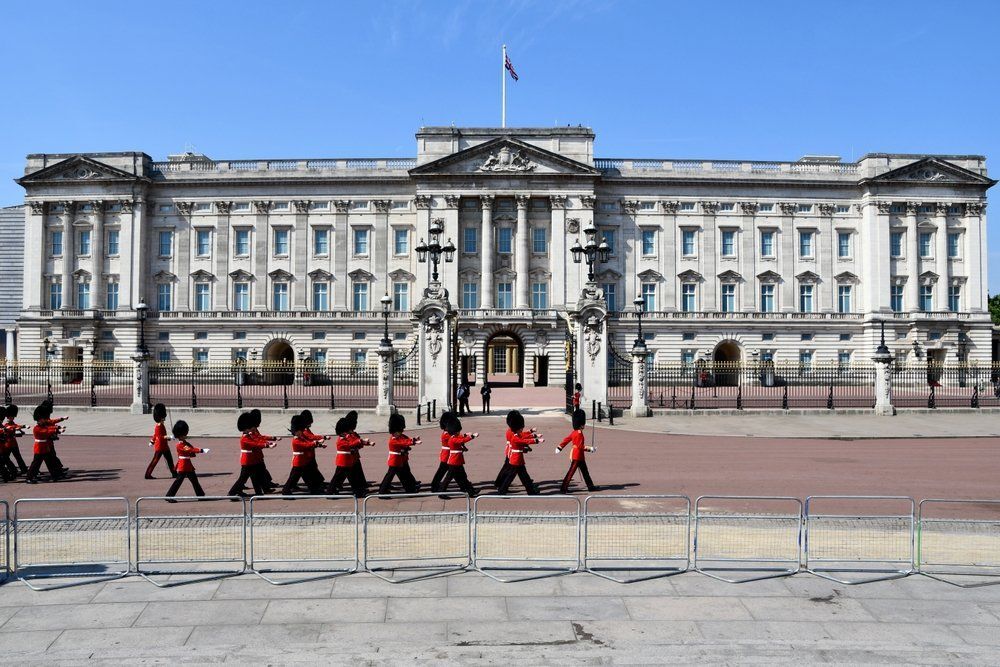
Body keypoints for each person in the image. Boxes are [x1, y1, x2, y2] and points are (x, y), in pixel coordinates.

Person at [228, 411, 276, 498]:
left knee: (255, 477)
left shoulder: (248, 435)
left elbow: (257, 441)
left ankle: (258, 493)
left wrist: (268, 443)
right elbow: (255, 444)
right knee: (242, 479)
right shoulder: (244, 438)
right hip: (247, 461)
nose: (252, 429)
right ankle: (232, 493)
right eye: (250, 427)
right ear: (246, 428)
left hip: (251, 460)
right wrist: (267, 445)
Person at [497, 410, 542, 495]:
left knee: (521, 475)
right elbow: (523, 440)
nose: (522, 429)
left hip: (517, 457)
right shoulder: (512, 434)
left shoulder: (514, 432)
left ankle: (530, 490)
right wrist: (536, 440)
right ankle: (501, 489)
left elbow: (522, 435)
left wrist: (532, 432)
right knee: (511, 474)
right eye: (521, 427)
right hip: (515, 457)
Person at [281, 413, 327, 495]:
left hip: (303, 460)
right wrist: (316, 442)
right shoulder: (296, 440)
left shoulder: (300, 437)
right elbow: (306, 445)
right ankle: (286, 490)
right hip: (298, 462)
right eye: (299, 431)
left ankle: (313, 490)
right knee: (293, 478)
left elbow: (307, 442)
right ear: (295, 431)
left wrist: (319, 445)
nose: (301, 432)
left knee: (306, 477)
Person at [378, 413, 421, 494]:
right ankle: (382, 491)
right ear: (395, 430)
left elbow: (404, 441)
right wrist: (413, 442)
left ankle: (410, 490)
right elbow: (403, 442)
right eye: (399, 430)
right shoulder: (393, 439)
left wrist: (413, 440)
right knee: (391, 476)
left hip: (399, 460)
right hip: (395, 461)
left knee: (399, 475)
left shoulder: (398, 436)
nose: (401, 432)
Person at [556, 409, 597, 493]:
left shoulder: (574, 432)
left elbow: (566, 440)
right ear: (581, 424)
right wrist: (590, 449)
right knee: (571, 472)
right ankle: (563, 488)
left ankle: (590, 486)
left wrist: (560, 447)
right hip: (577, 456)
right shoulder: (579, 433)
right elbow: (580, 446)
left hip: (579, 456)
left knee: (585, 472)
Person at [327, 417, 369, 497]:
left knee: (348, 477)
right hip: (343, 462)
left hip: (348, 461)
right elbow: (350, 444)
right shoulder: (340, 440)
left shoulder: (344, 438)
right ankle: (330, 492)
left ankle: (357, 492)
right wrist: (360, 441)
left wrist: (362, 442)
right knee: (338, 478)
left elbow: (352, 443)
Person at [165, 420, 208, 498]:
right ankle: (169, 495)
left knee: (194, 480)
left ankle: (200, 495)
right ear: (181, 434)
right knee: (178, 481)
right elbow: (190, 449)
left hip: (188, 465)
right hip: (184, 465)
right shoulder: (180, 445)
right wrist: (201, 450)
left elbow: (190, 447)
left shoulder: (184, 442)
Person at [26, 401, 65, 483]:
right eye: (43, 419)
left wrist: (58, 428)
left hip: (45, 447)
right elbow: (46, 431)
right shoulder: (36, 428)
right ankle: (29, 478)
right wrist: (57, 430)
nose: (44, 420)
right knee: (35, 464)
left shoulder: (42, 425)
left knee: (50, 463)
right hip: (39, 448)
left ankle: (55, 476)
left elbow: (49, 428)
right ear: (39, 420)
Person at [441, 416, 478, 496]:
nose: (459, 432)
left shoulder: (454, 437)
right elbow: (461, 440)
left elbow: (460, 438)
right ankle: (441, 493)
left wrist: (466, 435)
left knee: (463, 477)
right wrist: (472, 436)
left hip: (457, 461)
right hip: (454, 462)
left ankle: (471, 491)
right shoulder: (452, 439)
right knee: (448, 479)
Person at [247, 409, 279, 491]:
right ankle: (237, 488)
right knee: (251, 473)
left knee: (261, 469)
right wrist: (267, 444)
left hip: (257, 454)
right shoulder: (251, 431)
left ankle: (266, 485)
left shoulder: (254, 429)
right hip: (253, 456)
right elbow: (257, 441)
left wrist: (273, 438)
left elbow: (261, 437)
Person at [145, 403, 176, 479]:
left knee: (170, 460)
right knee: (155, 461)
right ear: (161, 416)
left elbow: (155, 435)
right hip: (160, 447)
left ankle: (174, 473)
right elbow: (160, 437)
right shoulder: (159, 426)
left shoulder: (160, 425)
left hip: (164, 446)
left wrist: (152, 441)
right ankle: (147, 474)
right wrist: (170, 437)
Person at [430, 411, 456, 492]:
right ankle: (435, 486)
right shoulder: (446, 434)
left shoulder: (448, 433)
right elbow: (456, 440)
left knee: (452, 472)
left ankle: (466, 487)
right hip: (447, 455)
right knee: (442, 472)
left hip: (448, 455)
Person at [4, 404, 29, 476]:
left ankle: (23, 469)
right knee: (5, 458)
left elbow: (16, 426)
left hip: (13, 443)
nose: (12, 418)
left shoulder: (13, 424)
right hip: (8, 444)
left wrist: (22, 429)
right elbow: (12, 428)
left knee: (18, 457)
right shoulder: (6, 425)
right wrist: (21, 427)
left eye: (12, 417)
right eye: (10, 417)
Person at [0, 406, 17, 481]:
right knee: (5, 459)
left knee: (3, 461)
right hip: (3, 444)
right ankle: (13, 472)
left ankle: (6, 475)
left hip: (2, 445)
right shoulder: (1, 424)